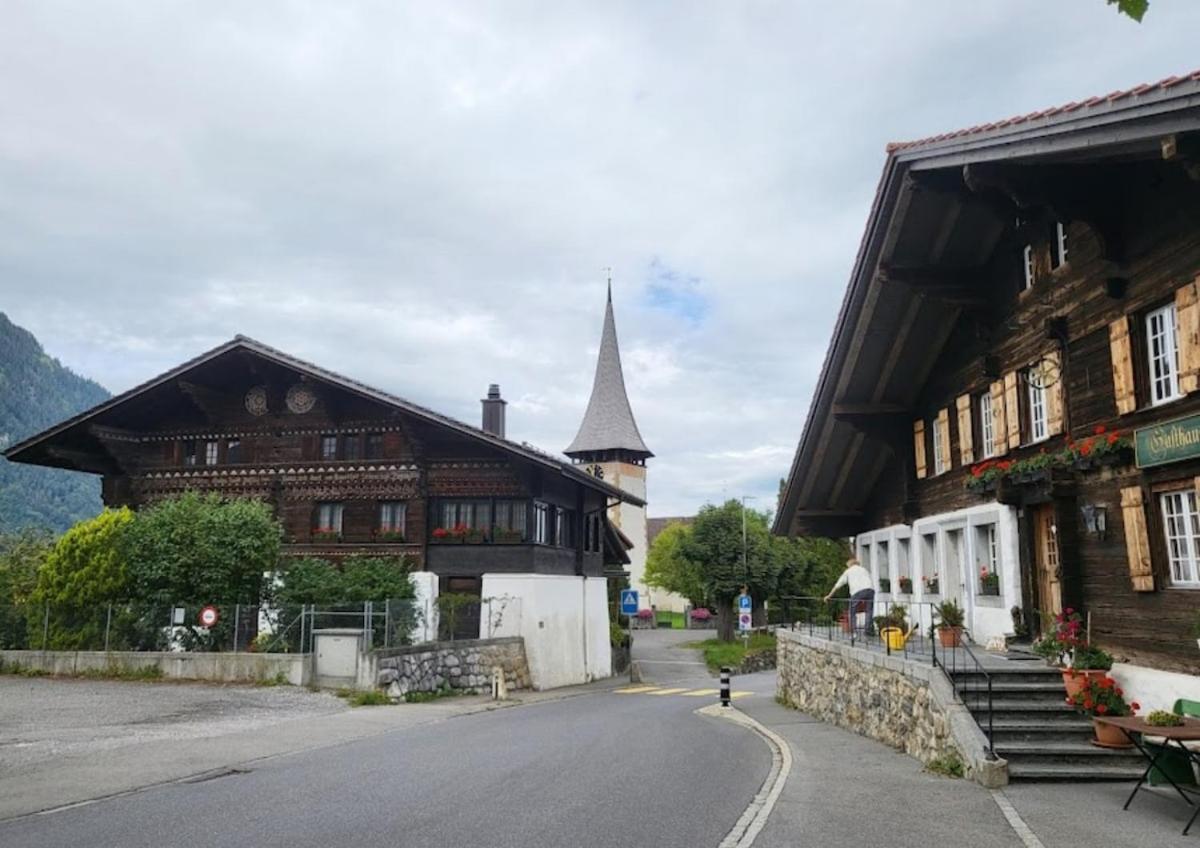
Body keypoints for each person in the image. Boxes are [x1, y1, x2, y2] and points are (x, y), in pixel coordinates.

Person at [824, 557, 874, 633]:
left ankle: (853, 631)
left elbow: (838, 585)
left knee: (852, 611)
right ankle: (868, 630)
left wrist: (829, 596)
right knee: (869, 610)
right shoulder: (864, 569)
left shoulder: (848, 571)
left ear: (849, 565)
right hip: (870, 590)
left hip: (857, 591)